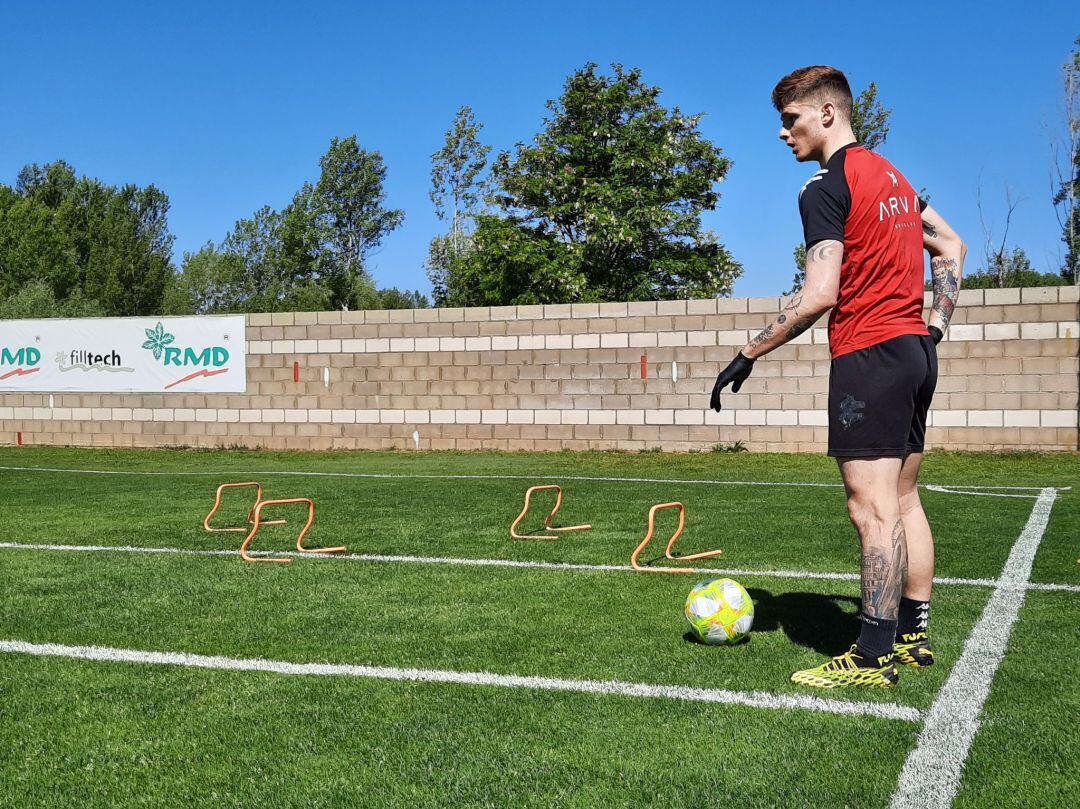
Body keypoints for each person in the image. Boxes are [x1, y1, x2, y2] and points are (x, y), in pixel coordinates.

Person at [709, 66, 966, 688]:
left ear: (827, 113)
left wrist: (751, 350)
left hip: (869, 355)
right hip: (914, 352)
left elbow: (821, 292)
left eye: (790, 118)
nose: (782, 133)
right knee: (903, 499)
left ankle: (873, 656)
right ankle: (911, 636)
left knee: (870, 508)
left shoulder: (823, 186)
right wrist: (935, 325)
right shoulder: (895, 178)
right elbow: (952, 247)